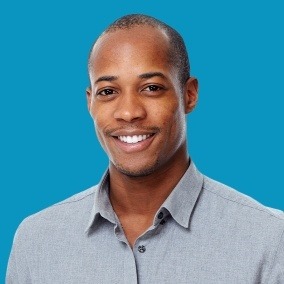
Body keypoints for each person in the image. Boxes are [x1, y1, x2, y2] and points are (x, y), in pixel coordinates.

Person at [6, 14, 284, 284]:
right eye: (108, 92)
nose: (128, 112)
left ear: (189, 95)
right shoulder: (36, 241)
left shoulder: (269, 239)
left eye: (151, 88)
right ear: (90, 103)